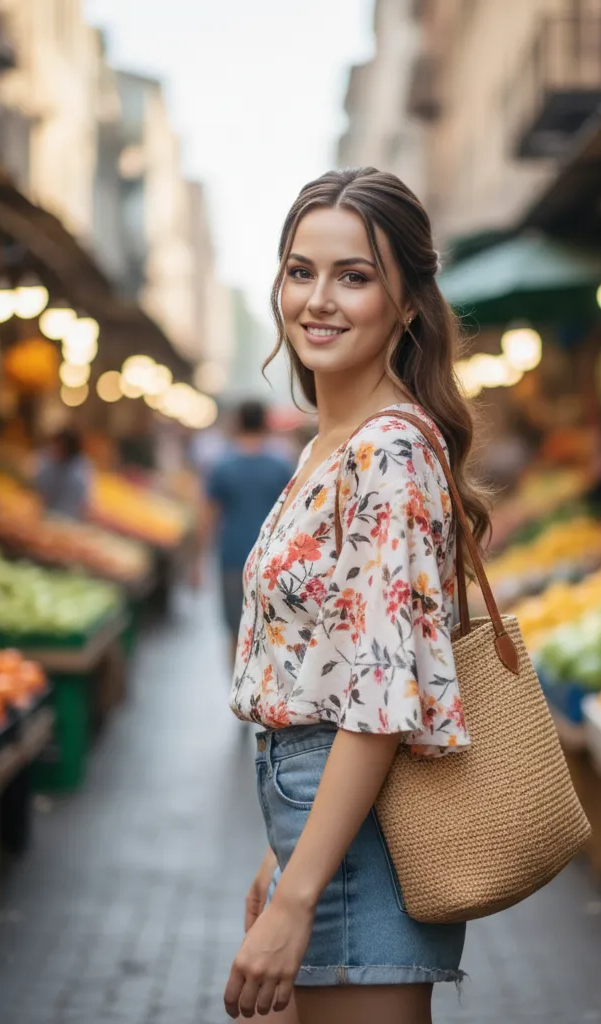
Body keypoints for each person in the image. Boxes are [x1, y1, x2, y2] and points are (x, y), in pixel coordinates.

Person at [222, 168, 490, 1024]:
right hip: (318, 814)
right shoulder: (330, 445)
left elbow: (379, 699)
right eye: (301, 271)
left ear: (407, 303)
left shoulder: (387, 452)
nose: (319, 300)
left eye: (355, 275)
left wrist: (299, 896)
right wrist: (285, 853)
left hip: (358, 824)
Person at [206, 401, 293, 656]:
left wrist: (196, 563)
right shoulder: (280, 466)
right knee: (268, 628)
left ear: (237, 423)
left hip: (232, 557)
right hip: (272, 560)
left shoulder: (223, 465)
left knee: (234, 629)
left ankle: (234, 691)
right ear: (265, 423)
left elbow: (209, 514)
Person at [34, 427, 92, 519]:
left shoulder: (80, 469)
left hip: (70, 519)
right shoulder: (47, 463)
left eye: (62, 447)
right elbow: (39, 492)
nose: (57, 449)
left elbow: (85, 501)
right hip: (48, 516)